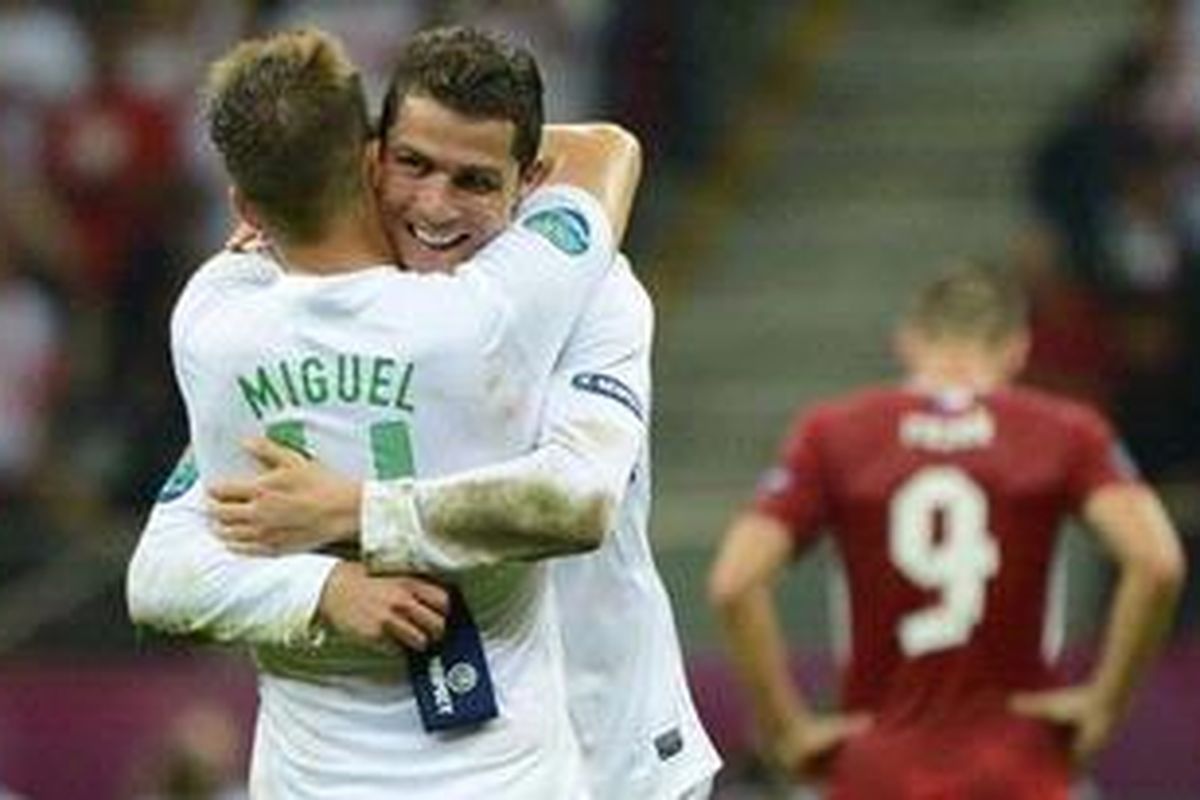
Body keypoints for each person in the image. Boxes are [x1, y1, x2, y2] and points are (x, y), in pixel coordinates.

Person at [134, 25, 720, 800]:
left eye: (475, 180)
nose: (435, 206)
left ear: (530, 178)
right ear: (369, 160)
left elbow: (582, 496)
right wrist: (322, 591)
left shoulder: (592, 298)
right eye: (413, 165)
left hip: (611, 745)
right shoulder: (271, 335)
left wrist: (359, 511)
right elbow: (165, 565)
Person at [708, 262, 1185, 798]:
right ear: (1018, 347)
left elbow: (734, 581)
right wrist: (1105, 702)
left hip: (876, 768)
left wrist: (785, 727)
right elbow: (1157, 562)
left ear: (908, 342)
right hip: (1022, 765)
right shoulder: (1064, 430)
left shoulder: (834, 432)